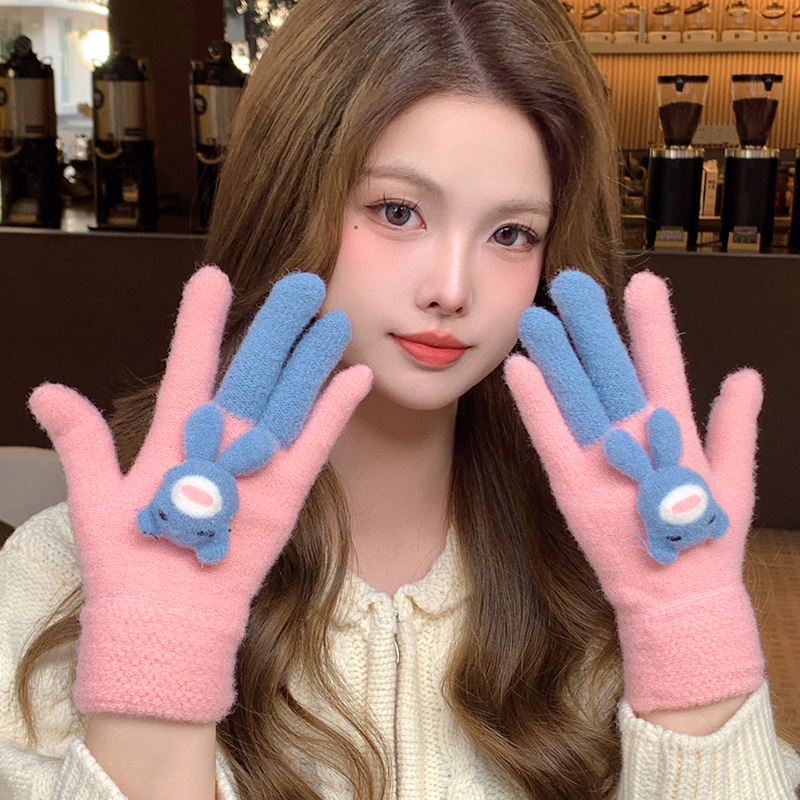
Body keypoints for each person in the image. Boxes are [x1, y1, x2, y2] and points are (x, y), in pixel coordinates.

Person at [2, 1, 799, 798]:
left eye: (511, 233)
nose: (452, 289)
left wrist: (690, 642)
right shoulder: (70, 570)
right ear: (286, 201)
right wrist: (155, 675)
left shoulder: (612, 561)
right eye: (396, 211)